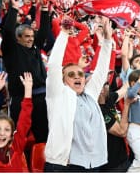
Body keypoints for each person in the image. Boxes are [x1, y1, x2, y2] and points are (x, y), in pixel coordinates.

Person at [44, 17, 114, 171]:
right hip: (64, 165)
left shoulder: (89, 94)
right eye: (71, 75)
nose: (77, 76)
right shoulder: (58, 94)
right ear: (62, 80)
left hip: (91, 164)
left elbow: (101, 72)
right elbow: (54, 66)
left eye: (80, 74)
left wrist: (108, 41)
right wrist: (63, 34)